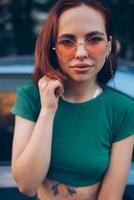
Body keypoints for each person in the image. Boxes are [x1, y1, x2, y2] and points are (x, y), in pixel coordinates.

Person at [11, 0, 134, 200]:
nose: (81, 53)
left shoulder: (123, 109)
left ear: (109, 45)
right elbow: (27, 185)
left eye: (94, 39)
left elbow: (111, 196)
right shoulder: (31, 97)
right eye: (67, 41)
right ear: (54, 47)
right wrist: (48, 111)